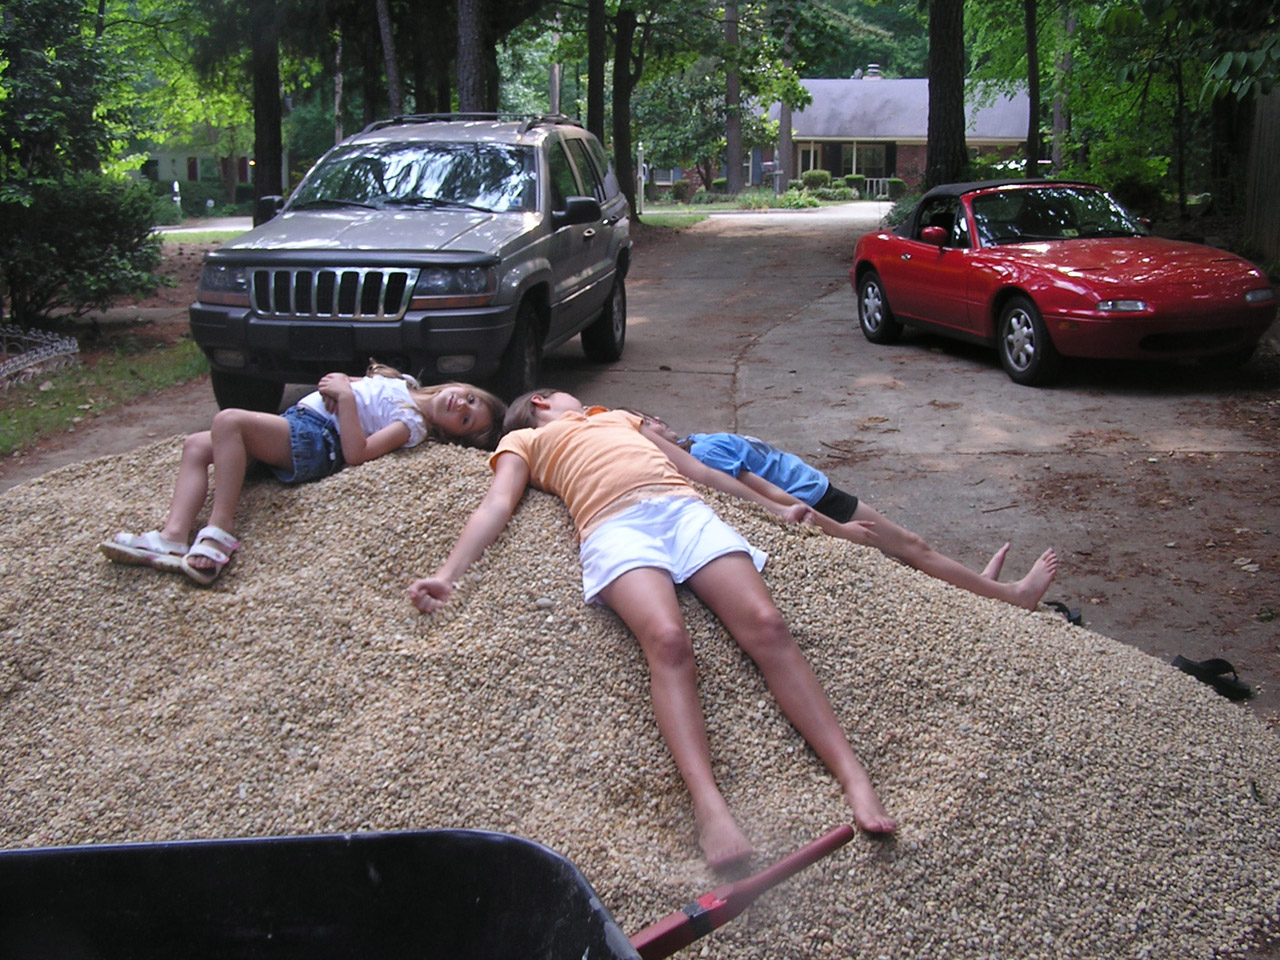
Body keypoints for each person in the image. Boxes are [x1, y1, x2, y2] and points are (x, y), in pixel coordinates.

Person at [408, 389, 896, 870]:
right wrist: (449, 574)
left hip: (682, 509)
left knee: (768, 626)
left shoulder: (617, 416)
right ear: (541, 400)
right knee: (666, 640)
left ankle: (853, 777)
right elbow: (496, 505)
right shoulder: (524, 442)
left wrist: (774, 508)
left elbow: (699, 472)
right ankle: (709, 806)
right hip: (611, 526)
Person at [101, 363, 505, 586]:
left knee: (229, 421)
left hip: (317, 440)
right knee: (195, 445)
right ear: (460, 384)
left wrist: (345, 397)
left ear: (452, 434)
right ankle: (173, 536)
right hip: (296, 422)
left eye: (466, 419)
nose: (461, 406)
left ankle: (219, 532)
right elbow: (352, 386)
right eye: (469, 398)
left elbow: (357, 454)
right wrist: (343, 382)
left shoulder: (411, 424)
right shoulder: (403, 384)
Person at [637, 414, 1058, 611]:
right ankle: (1012, 596)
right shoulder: (705, 455)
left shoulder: (700, 441)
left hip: (821, 494)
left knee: (909, 556)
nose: (657, 419)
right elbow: (764, 493)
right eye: (648, 424)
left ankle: (980, 591)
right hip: (822, 503)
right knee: (912, 547)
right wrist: (840, 530)